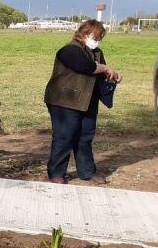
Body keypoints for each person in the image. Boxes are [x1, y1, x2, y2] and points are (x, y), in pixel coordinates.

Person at [44, 20, 122, 184]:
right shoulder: (69, 50)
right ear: (84, 33)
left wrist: (113, 75)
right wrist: (105, 68)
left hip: (87, 101)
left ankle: (87, 171)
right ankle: (56, 173)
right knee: (64, 137)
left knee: (85, 137)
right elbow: (85, 66)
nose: (97, 41)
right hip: (64, 101)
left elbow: (99, 71)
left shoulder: (97, 53)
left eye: (100, 38)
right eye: (95, 37)